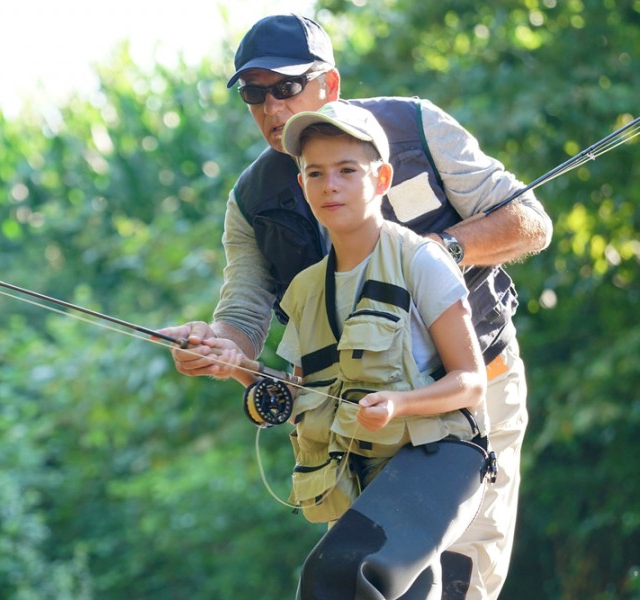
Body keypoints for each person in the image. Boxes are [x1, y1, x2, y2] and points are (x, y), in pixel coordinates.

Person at [157, 13, 553, 600]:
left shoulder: (416, 127)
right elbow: (242, 316)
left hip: (476, 388)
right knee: (371, 581)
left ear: (330, 85)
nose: (270, 106)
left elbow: (529, 223)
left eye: (286, 86)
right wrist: (218, 349)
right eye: (253, 92)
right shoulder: (251, 201)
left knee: (463, 582)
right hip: (362, 417)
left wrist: (437, 253)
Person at [217, 99, 496, 599]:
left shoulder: (422, 261)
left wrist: (399, 405)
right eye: (316, 173)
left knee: (343, 574)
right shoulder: (303, 290)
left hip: (438, 459)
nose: (331, 185)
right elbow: (299, 395)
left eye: (348, 170)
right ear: (302, 185)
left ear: (382, 178)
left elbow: (471, 382)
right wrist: (233, 365)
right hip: (360, 477)